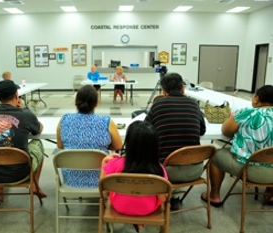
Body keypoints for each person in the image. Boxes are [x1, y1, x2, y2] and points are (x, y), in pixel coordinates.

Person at [201, 85, 273, 207]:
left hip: (248, 169)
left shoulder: (245, 113)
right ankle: (270, 194)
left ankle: (214, 196)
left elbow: (226, 131)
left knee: (216, 156)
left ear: (256, 98)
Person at [144, 72, 206, 210]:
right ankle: (174, 196)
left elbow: (146, 132)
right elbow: (202, 131)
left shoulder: (158, 105)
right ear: (183, 88)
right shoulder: (194, 105)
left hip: (165, 171)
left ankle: (162, 196)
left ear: (164, 92)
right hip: (195, 170)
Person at [0, 80, 46, 201]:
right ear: (17, 96)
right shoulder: (25, 114)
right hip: (20, 173)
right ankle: (33, 185)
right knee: (38, 144)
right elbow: (38, 130)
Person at [100, 121, 168, 232]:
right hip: (147, 209)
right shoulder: (158, 169)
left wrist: (104, 162)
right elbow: (163, 198)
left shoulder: (115, 164)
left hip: (120, 206)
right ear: (155, 146)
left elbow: (103, 189)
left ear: (128, 143)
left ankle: (135, 219)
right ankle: (139, 221)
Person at [56, 85, 122, 188]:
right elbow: (118, 146)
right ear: (96, 103)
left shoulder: (64, 120)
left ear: (76, 102)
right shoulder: (106, 122)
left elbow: (60, 145)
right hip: (100, 179)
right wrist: (102, 146)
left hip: (71, 180)